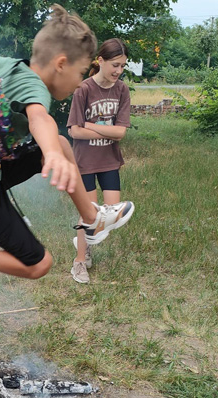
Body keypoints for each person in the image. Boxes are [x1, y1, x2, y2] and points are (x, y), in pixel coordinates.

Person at [0, 5, 134, 301]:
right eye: (79, 72)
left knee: (63, 145)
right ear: (61, 63)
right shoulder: (36, 90)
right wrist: (50, 154)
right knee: (40, 264)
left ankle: (92, 219)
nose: (80, 82)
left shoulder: (15, 66)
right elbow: (40, 118)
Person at [66, 38, 133, 283]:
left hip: (109, 160)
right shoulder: (83, 89)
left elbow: (121, 132)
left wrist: (91, 125)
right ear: (100, 61)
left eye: (123, 66)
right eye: (115, 65)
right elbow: (74, 131)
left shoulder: (122, 89)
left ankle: (87, 236)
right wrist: (107, 129)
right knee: (91, 214)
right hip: (84, 161)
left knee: (111, 216)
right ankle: (80, 261)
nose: (118, 71)